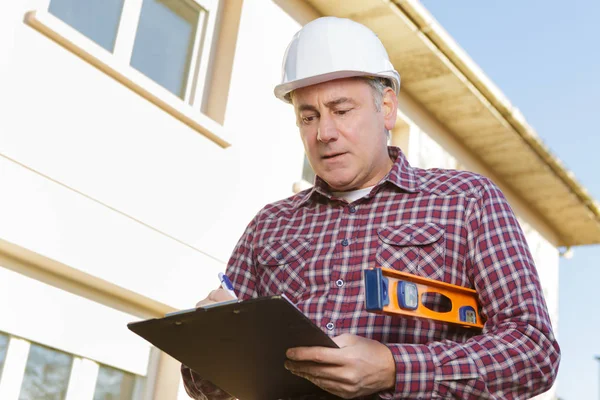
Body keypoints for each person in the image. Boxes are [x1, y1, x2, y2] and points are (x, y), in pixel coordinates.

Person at [181, 16, 560, 399]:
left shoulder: (466, 201)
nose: (324, 133)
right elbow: (206, 387)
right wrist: (211, 341)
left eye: (342, 110)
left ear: (388, 108)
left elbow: (533, 350)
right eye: (308, 117)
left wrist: (394, 368)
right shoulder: (270, 225)